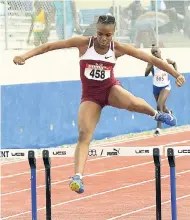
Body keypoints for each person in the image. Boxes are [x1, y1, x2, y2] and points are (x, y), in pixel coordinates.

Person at [13, 15, 185, 194]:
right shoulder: (84, 44)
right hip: (90, 97)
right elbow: (49, 46)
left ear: (113, 34)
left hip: (110, 90)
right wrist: (24, 56)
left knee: (131, 102)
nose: (103, 39)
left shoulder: (117, 48)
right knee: (83, 135)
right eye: (100, 34)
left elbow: (153, 60)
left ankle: (156, 114)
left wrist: (176, 74)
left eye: (108, 35)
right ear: (96, 31)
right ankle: (77, 177)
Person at [145, 45, 177, 135]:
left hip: (165, 86)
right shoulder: (151, 62)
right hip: (156, 87)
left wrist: (175, 67)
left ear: (160, 51)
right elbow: (146, 74)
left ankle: (158, 129)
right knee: (163, 107)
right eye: (153, 53)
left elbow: (175, 68)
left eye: (156, 51)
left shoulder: (166, 61)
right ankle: (169, 112)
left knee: (159, 106)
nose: (155, 54)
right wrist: (150, 66)